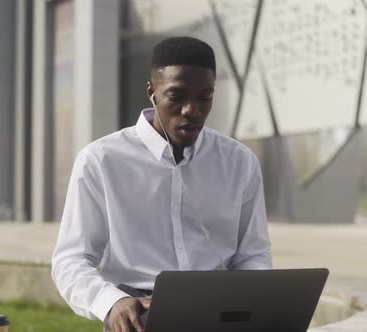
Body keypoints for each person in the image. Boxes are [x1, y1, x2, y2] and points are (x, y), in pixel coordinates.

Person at [51, 36, 272, 332]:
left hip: (219, 314)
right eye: (177, 96)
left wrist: (248, 303)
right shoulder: (101, 160)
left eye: (204, 97)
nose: (192, 110)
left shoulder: (240, 162)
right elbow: (70, 260)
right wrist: (110, 302)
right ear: (152, 92)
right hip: (137, 317)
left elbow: (253, 255)